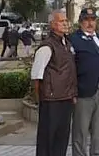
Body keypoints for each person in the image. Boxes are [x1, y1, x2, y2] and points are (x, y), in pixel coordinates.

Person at [69, 7, 99, 156]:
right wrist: (73, 91)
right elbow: (71, 68)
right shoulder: (73, 39)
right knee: (80, 131)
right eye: (86, 20)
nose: (89, 23)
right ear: (80, 22)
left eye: (92, 20)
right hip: (84, 92)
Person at [32, 10, 76, 156]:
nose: (65, 24)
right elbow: (37, 76)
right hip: (51, 101)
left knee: (61, 139)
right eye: (61, 21)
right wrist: (41, 100)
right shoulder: (47, 47)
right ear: (52, 24)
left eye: (66, 21)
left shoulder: (67, 44)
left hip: (66, 98)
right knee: (47, 140)